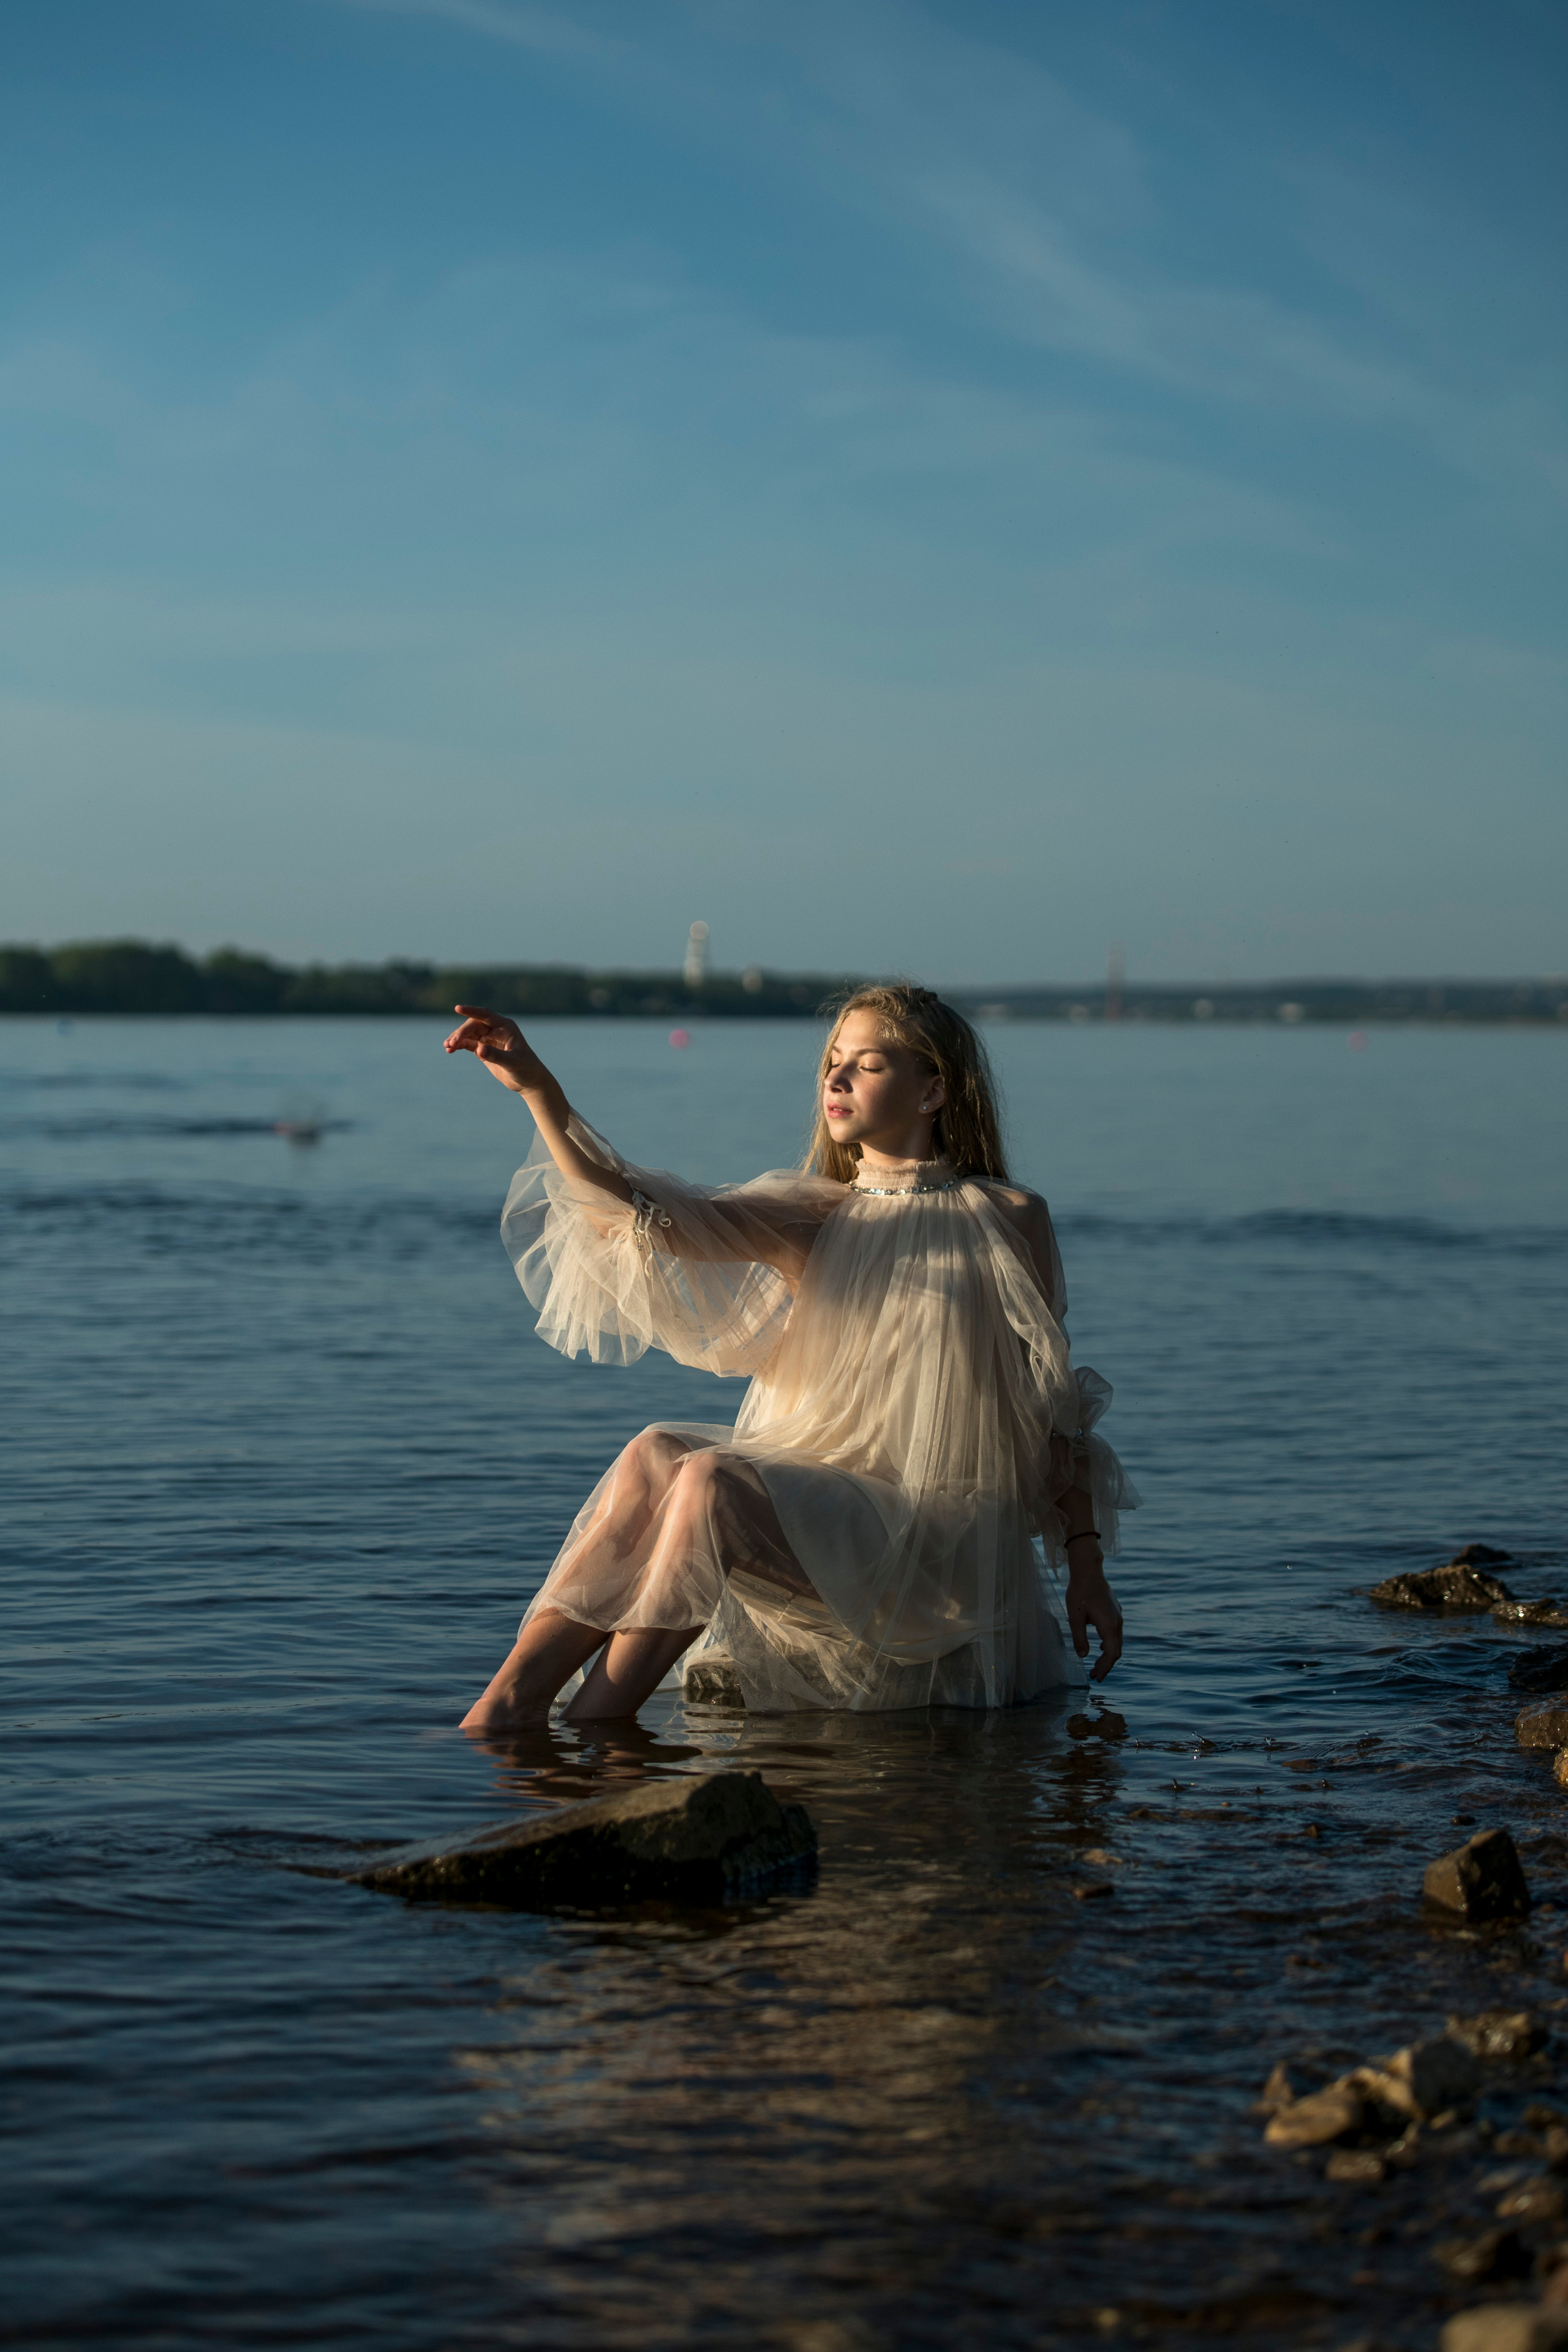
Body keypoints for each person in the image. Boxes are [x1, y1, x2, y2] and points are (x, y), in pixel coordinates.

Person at [445, 985, 1137, 1729]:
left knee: (712, 1479)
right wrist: (540, 1093)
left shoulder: (1009, 1219)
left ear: (934, 1089)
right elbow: (635, 1207)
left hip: (937, 1544)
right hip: (832, 1510)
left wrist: (1086, 1565)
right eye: (832, 1063)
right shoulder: (815, 1216)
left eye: (866, 1065)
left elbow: (1049, 1404)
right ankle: (505, 1707)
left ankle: (594, 1732)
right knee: (657, 1451)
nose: (836, 1080)